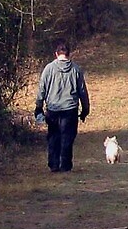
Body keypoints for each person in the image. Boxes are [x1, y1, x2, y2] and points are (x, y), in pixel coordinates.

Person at [34, 40, 90, 173]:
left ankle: (53, 164)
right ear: (69, 54)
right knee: (67, 137)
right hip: (70, 109)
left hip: (53, 109)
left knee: (53, 136)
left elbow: (42, 89)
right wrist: (85, 109)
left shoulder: (48, 69)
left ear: (56, 54)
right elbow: (82, 91)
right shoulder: (76, 69)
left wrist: (38, 106)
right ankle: (65, 165)